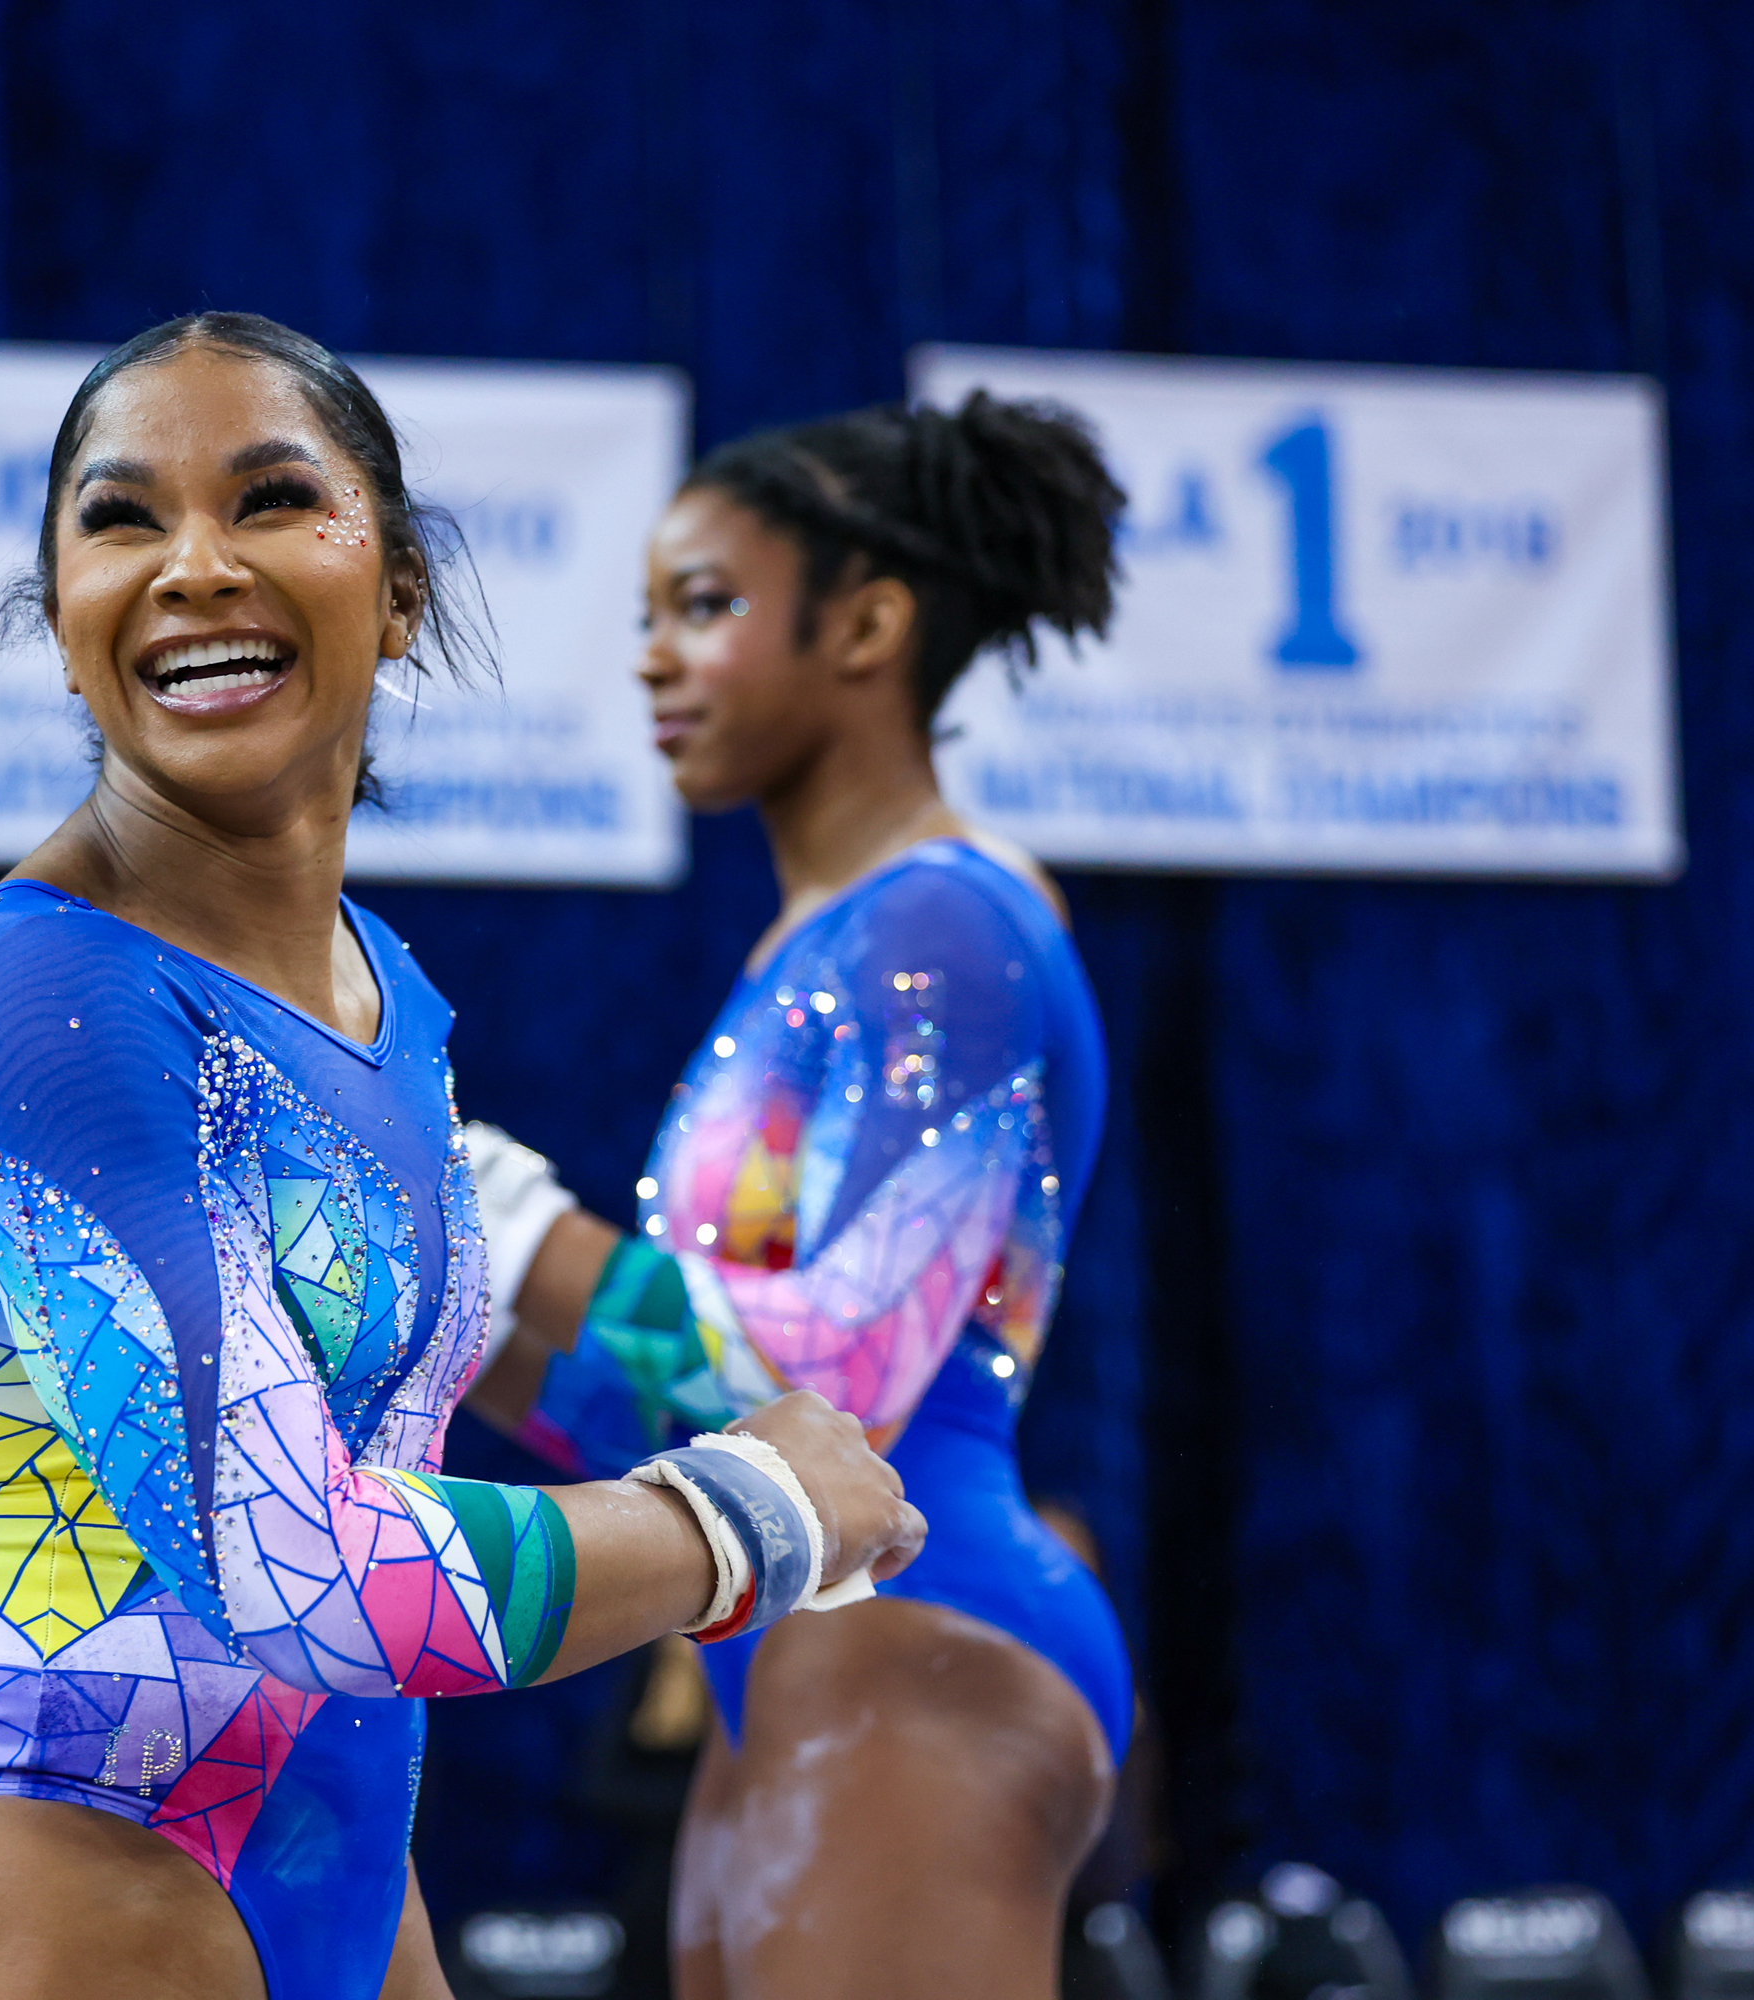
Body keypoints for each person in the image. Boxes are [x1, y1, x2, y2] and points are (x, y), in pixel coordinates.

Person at [0, 312, 927, 2000]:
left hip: (317, 1901)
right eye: (122, 518)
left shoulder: (396, 1000)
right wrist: (746, 1512)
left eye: (271, 497)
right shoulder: (40, 996)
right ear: (67, 630)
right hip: (29, 1917)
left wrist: (854, 1459)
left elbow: (406, 1450)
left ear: (399, 594)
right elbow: (299, 1575)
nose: (195, 566)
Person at [461, 392, 1129, 1998]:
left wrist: (494, 1215)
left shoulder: (948, 923)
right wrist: (434, 1311)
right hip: (805, 1632)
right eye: (644, 618)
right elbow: (703, 1412)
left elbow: (832, 1383)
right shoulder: (813, 946)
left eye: (705, 607)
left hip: (929, 1627)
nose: (649, 657)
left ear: (870, 624)